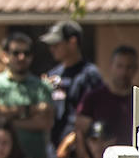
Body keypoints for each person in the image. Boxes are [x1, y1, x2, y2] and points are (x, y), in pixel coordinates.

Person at [40, 20, 102, 150]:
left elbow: (91, 116)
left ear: (72, 42)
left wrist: (70, 142)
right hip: (54, 149)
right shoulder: (53, 74)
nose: (52, 49)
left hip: (79, 150)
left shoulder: (89, 74)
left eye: (56, 44)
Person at [73, 45, 139, 154]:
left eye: (129, 67)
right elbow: (80, 132)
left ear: (136, 69)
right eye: (119, 66)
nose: (123, 72)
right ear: (111, 66)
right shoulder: (93, 98)